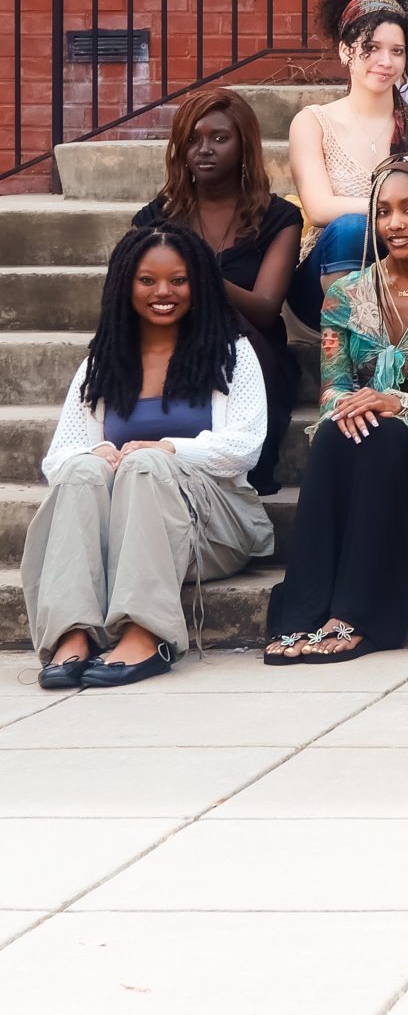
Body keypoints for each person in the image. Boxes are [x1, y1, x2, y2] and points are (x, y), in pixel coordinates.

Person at [264, 159, 408, 662]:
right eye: (384, 212)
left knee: (382, 436)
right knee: (332, 434)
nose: (395, 223)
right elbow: (333, 389)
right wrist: (350, 409)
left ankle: (359, 612)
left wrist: (398, 404)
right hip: (367, 436)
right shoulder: (345, 295)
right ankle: (300, 613)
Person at [29, 227, 272, 689]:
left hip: (211, 529)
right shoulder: (101, 363)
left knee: (146, 465)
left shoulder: (230, 353)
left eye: (178, 280)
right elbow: (58, 460)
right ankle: (73, 632)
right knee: (82, 469)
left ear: (198, 284)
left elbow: (245, 449)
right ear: (125, 284)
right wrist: (97, 452)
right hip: (119, 537)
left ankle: (146, 633)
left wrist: (169, 449)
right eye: (147, 280)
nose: (164, 293)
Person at [133, 89, 301, 495]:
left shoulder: (279, 217)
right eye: (192, 139)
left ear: (244, 144)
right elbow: (136, 300)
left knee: (240, 332)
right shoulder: (155, 219)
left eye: (219, 138)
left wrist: (197, 270)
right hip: (173, 345)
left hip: (252, 348)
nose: (203, 150)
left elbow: (264, 309)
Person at [286, 0, 408, 329]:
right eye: (371, 48)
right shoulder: (314, 122)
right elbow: (319, 209)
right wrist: (397, 209)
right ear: (346, 51)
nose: (384, 61)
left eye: (397, 51)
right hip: (325, 279)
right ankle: (351, 348)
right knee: (351, 228)